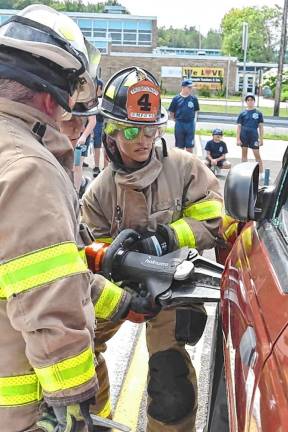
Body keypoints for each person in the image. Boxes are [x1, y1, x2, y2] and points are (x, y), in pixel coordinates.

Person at [0, 7, 154, 432]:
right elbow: (49, 297)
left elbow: (35, 270)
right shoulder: (29, 167)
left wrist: (122, 303)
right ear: (53, 96)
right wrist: (71, 410)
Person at [81, 67, 223, 432]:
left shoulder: (184, 168)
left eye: (150, 129)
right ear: (110, 133)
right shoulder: (99, 192)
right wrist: (123, 291)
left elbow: (214, 215)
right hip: (121, 290)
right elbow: (89, 255)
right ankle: (96, 423)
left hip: (174, 289)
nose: (143, 140)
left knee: (169, 378)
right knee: (77, 348)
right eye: (131, 130)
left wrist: (169, 238)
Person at [168, 78, 200, 153]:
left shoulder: (193, 99)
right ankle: (180, 163)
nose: (190, 89)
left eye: (191, 87)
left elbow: (196, 111)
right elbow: (171, 112)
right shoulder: (176, 99)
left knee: (189, 147)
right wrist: (176, 120)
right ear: (183, 87)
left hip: (190, 124)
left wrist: (193, 121)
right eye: (189, 87)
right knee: (179, 147)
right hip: (179, 123)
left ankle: (189, 164)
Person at [237, 93, 264, 179]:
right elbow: (238, 127)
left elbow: (261, 127)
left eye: (251, 100)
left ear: (254, 101)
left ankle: (261, 173)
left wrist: (261, 138)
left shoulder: (258, 113)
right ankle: (244, 173)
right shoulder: (242, 113)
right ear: (246, 102)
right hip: (244, 135)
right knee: (244, 154)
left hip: (254, 135)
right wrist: (238, 138)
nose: (250, 102)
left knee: (257, 154)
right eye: (248, 100)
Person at [92, 78, 108, 177]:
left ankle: (106, 167)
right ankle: (96, 166)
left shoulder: (105, 99)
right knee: (96, 144)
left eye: (97, 88)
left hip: (105, 122)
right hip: (96, 122)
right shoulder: (92, 98)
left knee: (106, 145)